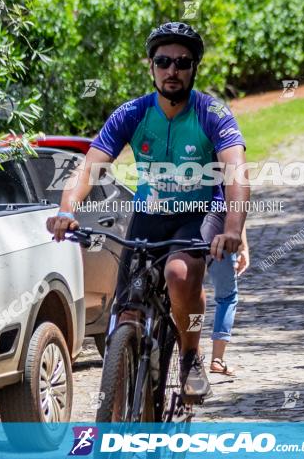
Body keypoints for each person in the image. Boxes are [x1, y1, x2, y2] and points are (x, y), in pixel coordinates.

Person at [47, 21, 249, 402]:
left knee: (178, 274)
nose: (172, 70)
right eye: (163, 61)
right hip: (149, 215)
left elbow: (236, 172)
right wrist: (67, 208)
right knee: (126, 309)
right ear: (152, 66)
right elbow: (89, 166)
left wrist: (234, 228)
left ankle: (190, 353)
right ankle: (125, 386)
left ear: (194, 69)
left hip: (200, 211)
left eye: (182, 62)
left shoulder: (213, 113)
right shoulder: (133, 113)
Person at [206, 226, 249, 376]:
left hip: (181, 235)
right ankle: (217, 359)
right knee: (227, 298)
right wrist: (243, 247)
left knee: (190, 298)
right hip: (219, 234)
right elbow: (237, 206)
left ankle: (191, 351)